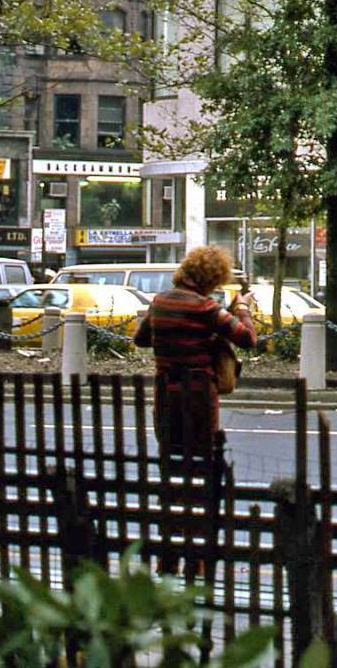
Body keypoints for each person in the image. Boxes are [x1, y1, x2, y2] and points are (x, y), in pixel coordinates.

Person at [134, 246, 257, 578]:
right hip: (199, 399)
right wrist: (243, 308)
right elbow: (247, 338)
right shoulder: (206, 308)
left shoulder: (160, 302)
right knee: (198, 476)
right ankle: (195, 556)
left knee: (170, 475)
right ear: (212, 278)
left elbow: (141, 338)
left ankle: (167, 555)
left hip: (165, 397)